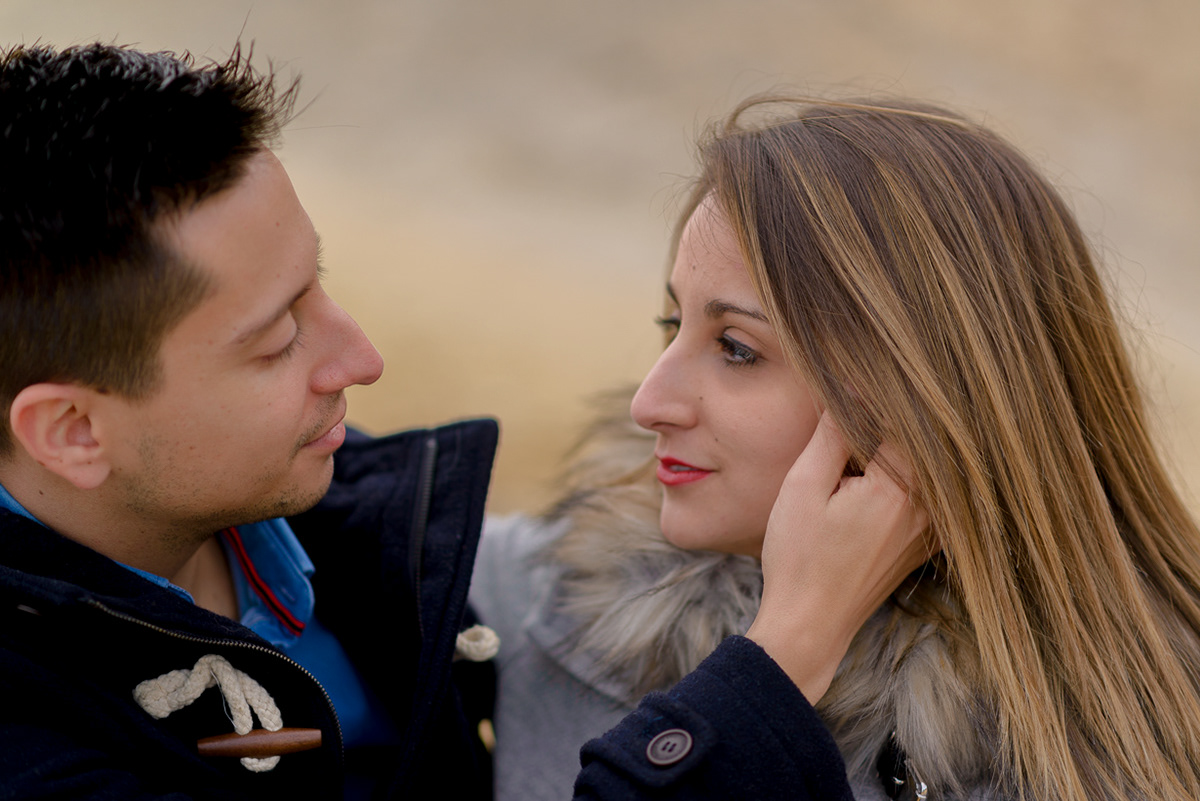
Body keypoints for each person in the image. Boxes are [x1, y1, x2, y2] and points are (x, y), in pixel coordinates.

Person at [0, 43, 930, 800]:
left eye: (319, 283)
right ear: (73, 431)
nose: (360, 359)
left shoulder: (356, 531)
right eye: (278, 338)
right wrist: (785, 655)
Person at [472, 95, 1200, 801]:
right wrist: (785, 651)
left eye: (735, 347)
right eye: (673, 325)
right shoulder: (551, 598)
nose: (648, 403)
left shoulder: (1104, 763)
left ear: (922, 402)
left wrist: (776, 664)